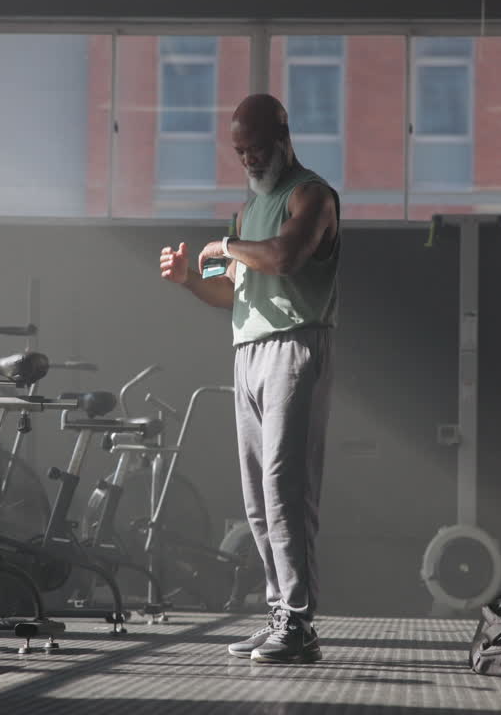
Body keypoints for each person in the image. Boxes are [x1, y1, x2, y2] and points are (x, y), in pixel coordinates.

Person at [159, 93, 340, 664]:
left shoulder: (312, 195)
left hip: (295, 346)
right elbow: (229, 289)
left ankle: (301, 623)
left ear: (283, 137)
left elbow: (284, 258)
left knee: (286, 489)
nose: (248, 159)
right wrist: (190, 279)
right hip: (248, 350)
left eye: (256, 148)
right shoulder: (245, 212)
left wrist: (228, 246)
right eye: (239, 151)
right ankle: (280, 613)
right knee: (258, 497)